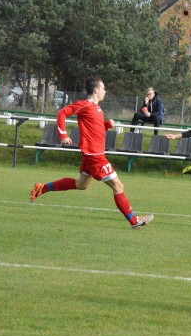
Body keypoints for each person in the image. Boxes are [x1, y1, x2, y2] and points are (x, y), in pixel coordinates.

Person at [29, 76, 154, 230]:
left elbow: (95, 129)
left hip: (92, 155)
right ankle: (134, 221)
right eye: (103, 89)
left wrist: (106, 125)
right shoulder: (86, 105)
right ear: (96, 91)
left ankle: (43, 188)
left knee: (81, 184)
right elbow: (62, 113)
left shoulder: (97, 109)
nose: (105, 91)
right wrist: (63, 135)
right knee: (118, 186)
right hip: (95, 156)